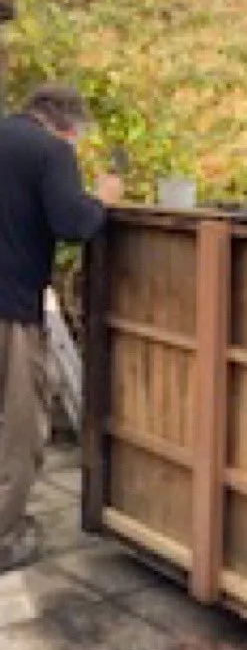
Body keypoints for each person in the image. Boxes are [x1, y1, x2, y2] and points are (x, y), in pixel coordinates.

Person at [0, 84, 121, 573]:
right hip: (11, 313)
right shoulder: (50, 152)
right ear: (66, 125)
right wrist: (104, 199)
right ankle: (5, 538)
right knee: (21, 430)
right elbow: (74, 222)